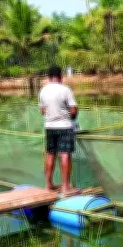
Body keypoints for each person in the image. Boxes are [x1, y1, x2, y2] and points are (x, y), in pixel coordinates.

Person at [39, 65, 79, 195]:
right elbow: (73, 110)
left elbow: (43, 111)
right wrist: (71, 116)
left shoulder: (43, 91)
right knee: (65, 154)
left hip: (49, 126)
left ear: (49, 77)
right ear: (60, 76)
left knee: (50, 154)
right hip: (65, 126)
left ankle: (48, 184)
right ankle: (65, 187)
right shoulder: (65, 90)